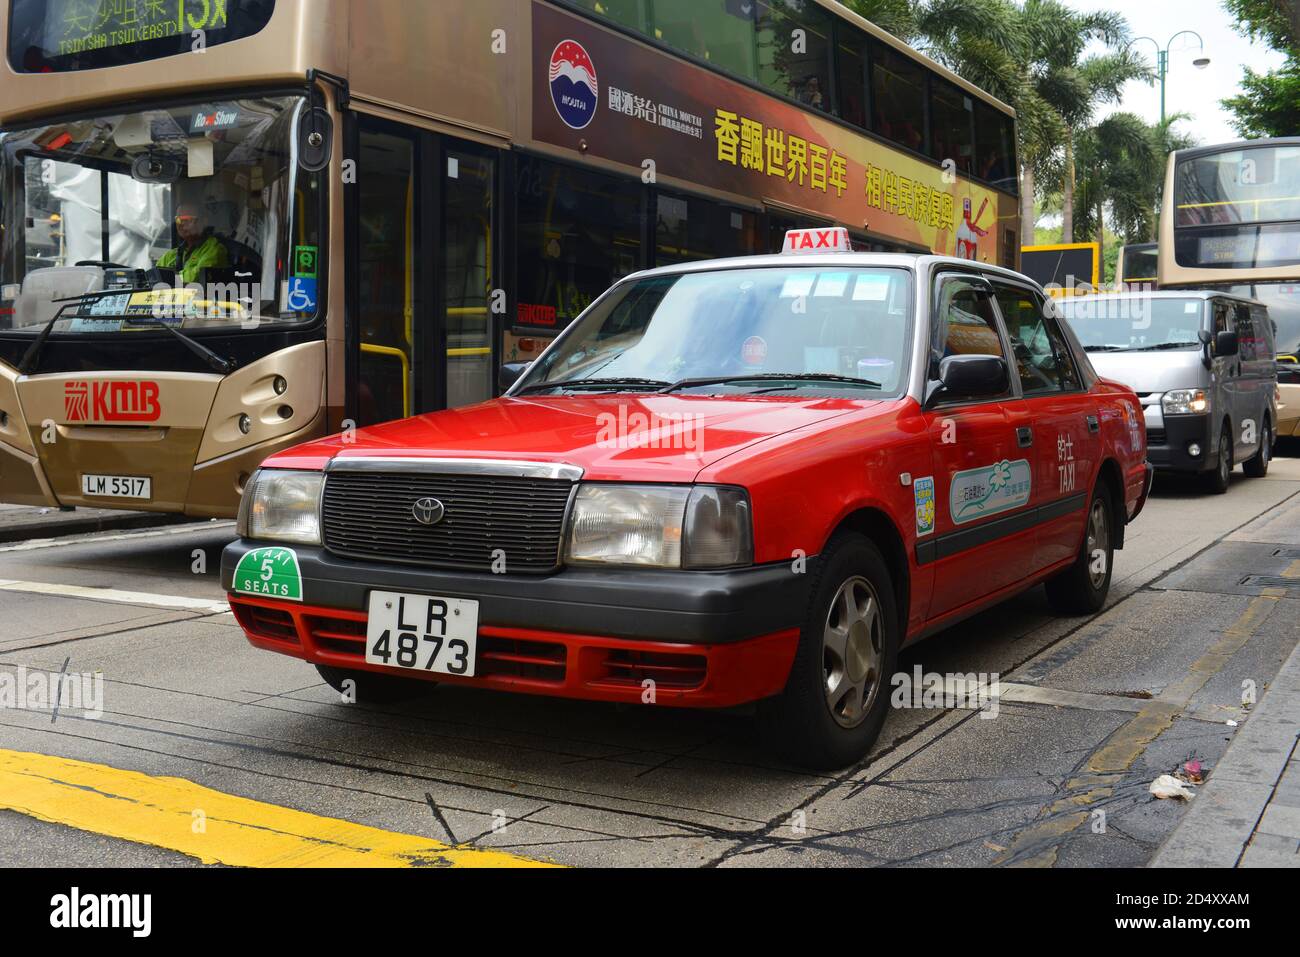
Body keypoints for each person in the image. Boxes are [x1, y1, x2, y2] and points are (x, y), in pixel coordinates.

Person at [156, 204, 229, 284]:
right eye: (178, 220)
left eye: (187, 219)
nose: (181, 224)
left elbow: (197, 278)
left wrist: (167, 278)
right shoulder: (170, 255)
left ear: (204, 221)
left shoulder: (214, 250)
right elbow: (154, 277)